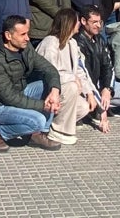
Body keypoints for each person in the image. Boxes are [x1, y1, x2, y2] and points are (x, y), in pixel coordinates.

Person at [0, 15, 63, 152]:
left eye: (27, 33)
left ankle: (38, 134)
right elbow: (9, 97)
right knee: (38, 121)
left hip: (20, 91)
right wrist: (43, 106)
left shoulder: (25, 47)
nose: (27, 38)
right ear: (8, 35)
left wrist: (54, 91)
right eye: (22, 34)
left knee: (52, 86)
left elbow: (49, 69)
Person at [36, 8, 97, 145]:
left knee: (84, 107)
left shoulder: (72, 43)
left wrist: (89, 92)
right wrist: (71, 78)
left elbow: (80, 71)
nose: (79, 25)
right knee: (72, 86)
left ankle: (53, 123)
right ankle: (60, 130)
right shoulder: (50, 42)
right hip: (48, 89)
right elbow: (49, 71)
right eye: (76, 22)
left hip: (65, 88)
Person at [74, 6, 120, 122]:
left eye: (100, 22)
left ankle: (99, 106)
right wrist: (95, 95)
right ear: (83, 21)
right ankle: (92, 108)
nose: (98, 25)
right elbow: (84, 75)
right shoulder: (77, 42)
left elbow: (108, 66)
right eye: (94, 22)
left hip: (99, 83)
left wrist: (107, 88)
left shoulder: (100, 39)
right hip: (85, 87)